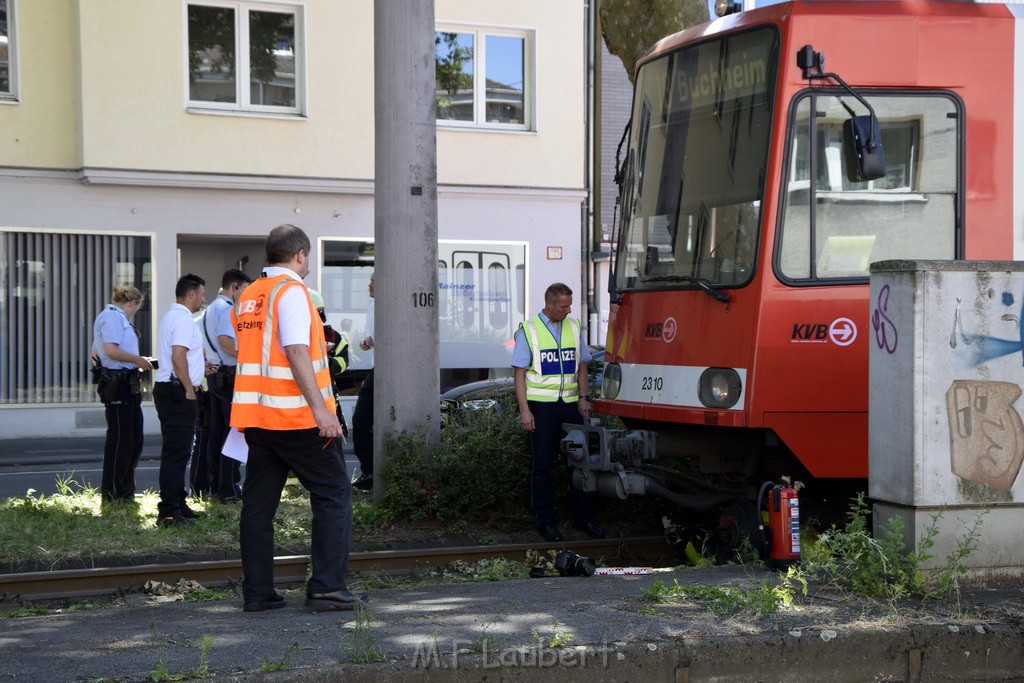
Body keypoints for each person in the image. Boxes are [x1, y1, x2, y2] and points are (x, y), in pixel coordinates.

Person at [232, 224, 365, 613]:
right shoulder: (291, 292)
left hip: (257, 417)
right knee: (334, 493)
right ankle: (326, 587)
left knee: (258, 506)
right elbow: (294, 349)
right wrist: (323, 410)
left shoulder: (250, 295)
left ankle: (258, 593)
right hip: (297, 417)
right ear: (300, 255)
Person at [512, 282, 603, 542]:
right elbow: (519, 374)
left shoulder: (574, 327)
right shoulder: (528, 331)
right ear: (550, 303)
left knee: (581, 462)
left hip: (571, 405)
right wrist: (525, 411)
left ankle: (583, 517)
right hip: (541, 407)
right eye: (563, 305)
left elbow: (582, 365)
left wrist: (584, 398)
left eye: (569, 305)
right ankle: (546, 521)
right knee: (542, 464)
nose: (568, 309)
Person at [153, 273, 207, 528]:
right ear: (192, 294)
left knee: (177, 452)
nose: (203, 299)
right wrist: (189, 388)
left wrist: (200, 368)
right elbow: (178, 357)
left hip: (169, 389)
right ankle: (170, 513)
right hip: (178, 392)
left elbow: (180, 356)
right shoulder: (184, 319)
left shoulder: (171, 316)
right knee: (177, 454)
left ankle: (178, 503)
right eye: (202, 294)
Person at [91, 286, 154, 504]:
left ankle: (124, 490)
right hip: (119, 384)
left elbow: (94, 353)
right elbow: (109, 350)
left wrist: (133, 360)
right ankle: (113, 494)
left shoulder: (116, 318)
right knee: (121, 440)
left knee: (134, 439)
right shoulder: (112, 317)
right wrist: (137, 360)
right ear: (133, 303)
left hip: (126, 382)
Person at [203, 269, 253, 503]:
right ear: (234, 287)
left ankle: (217, 485)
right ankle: (228, 488)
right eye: (244, 289)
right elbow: (225, 340)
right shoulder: (226, 309)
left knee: (217, 434)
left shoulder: (210, 309)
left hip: (216, 376)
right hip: (229, 376)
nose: (246, 295)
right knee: (232, 434)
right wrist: (247, 355)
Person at [350, 272, 375, 491]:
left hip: (387, 370)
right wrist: (366, 342)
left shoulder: (390, 306)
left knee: (362, 420)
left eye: (373, 281)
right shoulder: (371, 307)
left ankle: (372, 471)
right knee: (362, 421)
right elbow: (372, 338)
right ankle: (370, 470)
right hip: (378, 367)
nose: (369, 284)